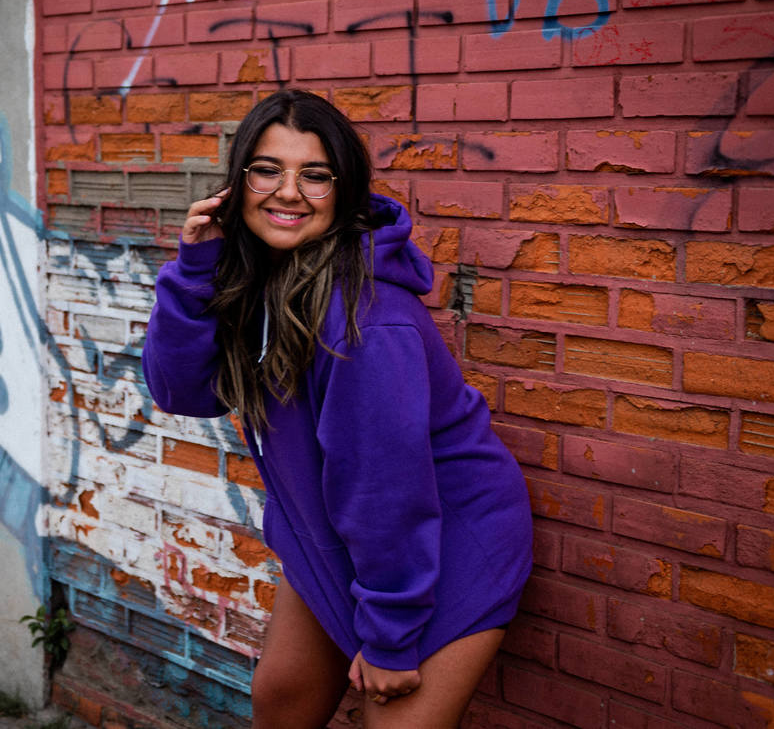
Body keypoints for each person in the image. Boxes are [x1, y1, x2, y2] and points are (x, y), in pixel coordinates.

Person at [142, 90, 533, 728]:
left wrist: (389, 635)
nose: (288, 192)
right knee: (281, 702)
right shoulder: (268, 280)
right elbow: (181, 391)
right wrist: (194, 270)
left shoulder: (366, 319)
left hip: (441, 541)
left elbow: (384, 484)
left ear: (342, 190)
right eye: (267, 170)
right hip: (337, 532)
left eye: (315, 175)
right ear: (237, 182)